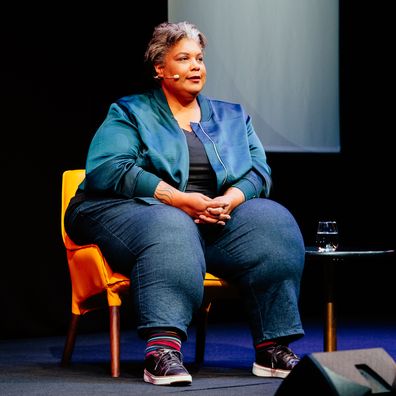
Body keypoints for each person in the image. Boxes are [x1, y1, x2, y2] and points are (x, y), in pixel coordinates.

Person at [64, 21, 305, 386]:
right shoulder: (130, 112)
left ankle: (272, 347)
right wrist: (177, 199)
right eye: (184, 58)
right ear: (161, 68)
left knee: (274, 223)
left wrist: (228, 199)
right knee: (171, 225)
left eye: (200, 58)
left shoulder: (232, 117)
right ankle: (162, 350)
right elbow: (108, 169)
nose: (196, 66)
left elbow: (259, 171)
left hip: (208, 215)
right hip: (125, 209)